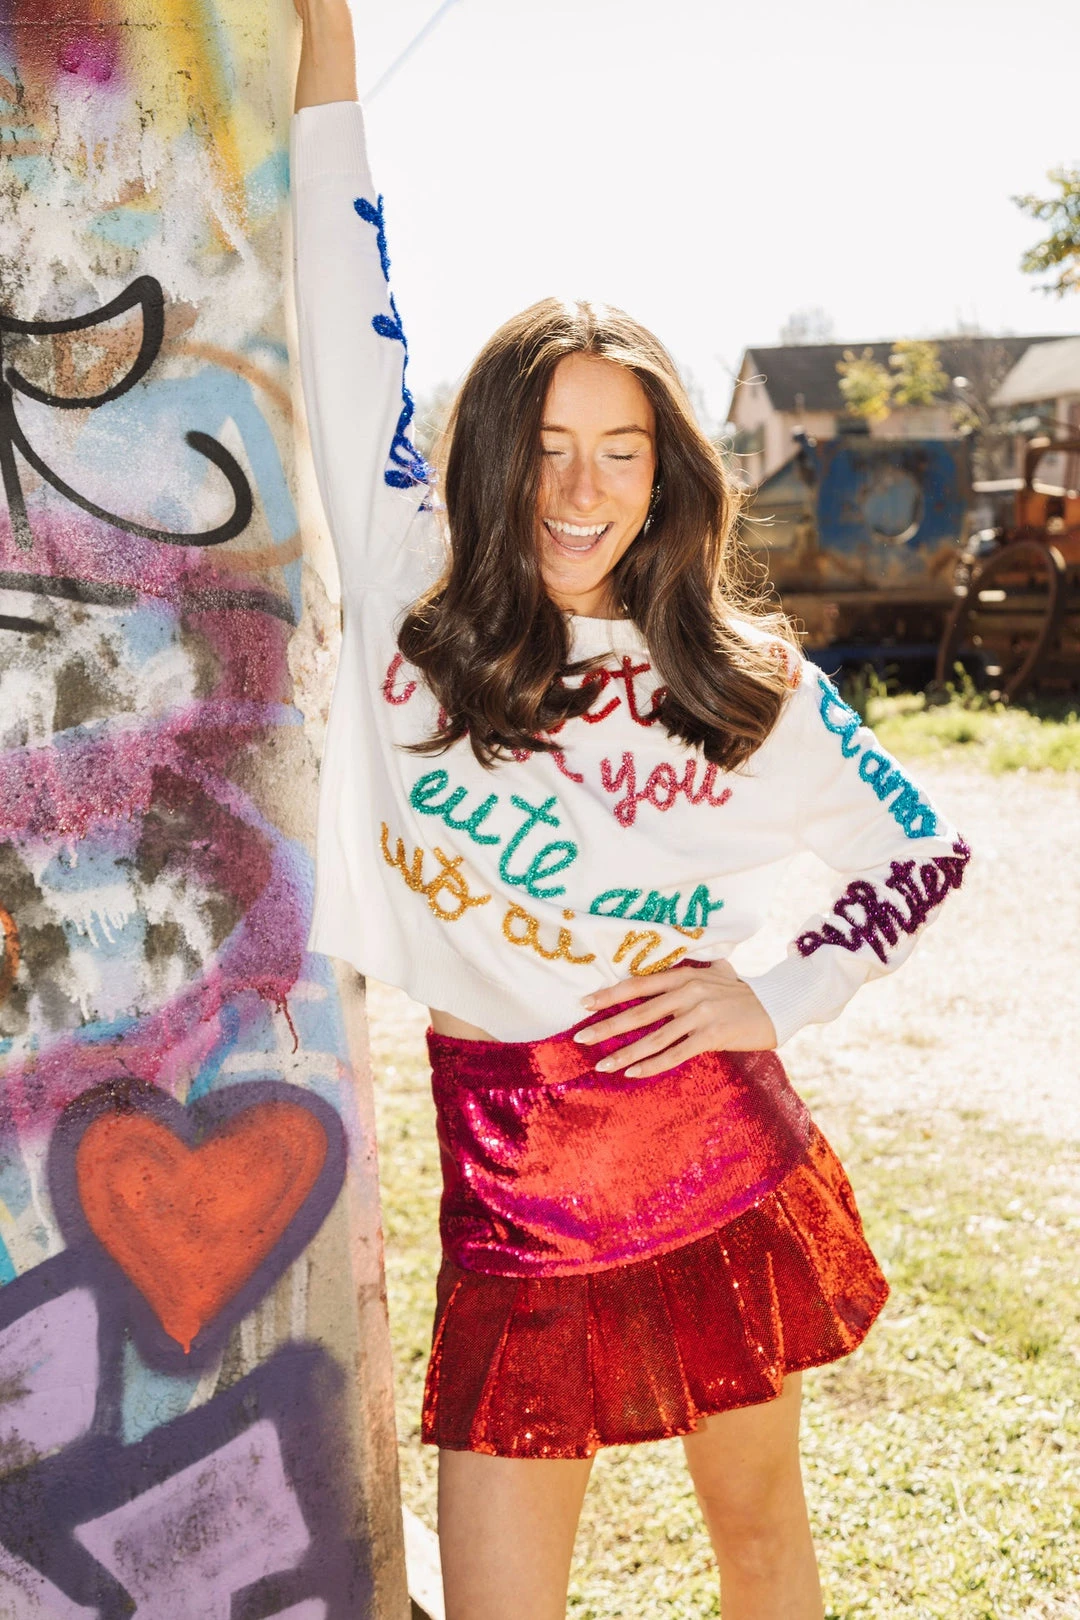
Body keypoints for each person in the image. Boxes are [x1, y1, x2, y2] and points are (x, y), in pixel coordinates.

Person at [290, 5, 970, 1616]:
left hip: (706, 1156)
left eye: (620, 452)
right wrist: (328, 40)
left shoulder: (735, 675)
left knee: (763, 1548)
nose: (581, 492)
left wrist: (775, 994)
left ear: (666, 474)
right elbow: (341, 298)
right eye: (545, 448)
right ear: (487, 457)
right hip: (507, 1185)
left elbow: (926, 847)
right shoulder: (409, 588)